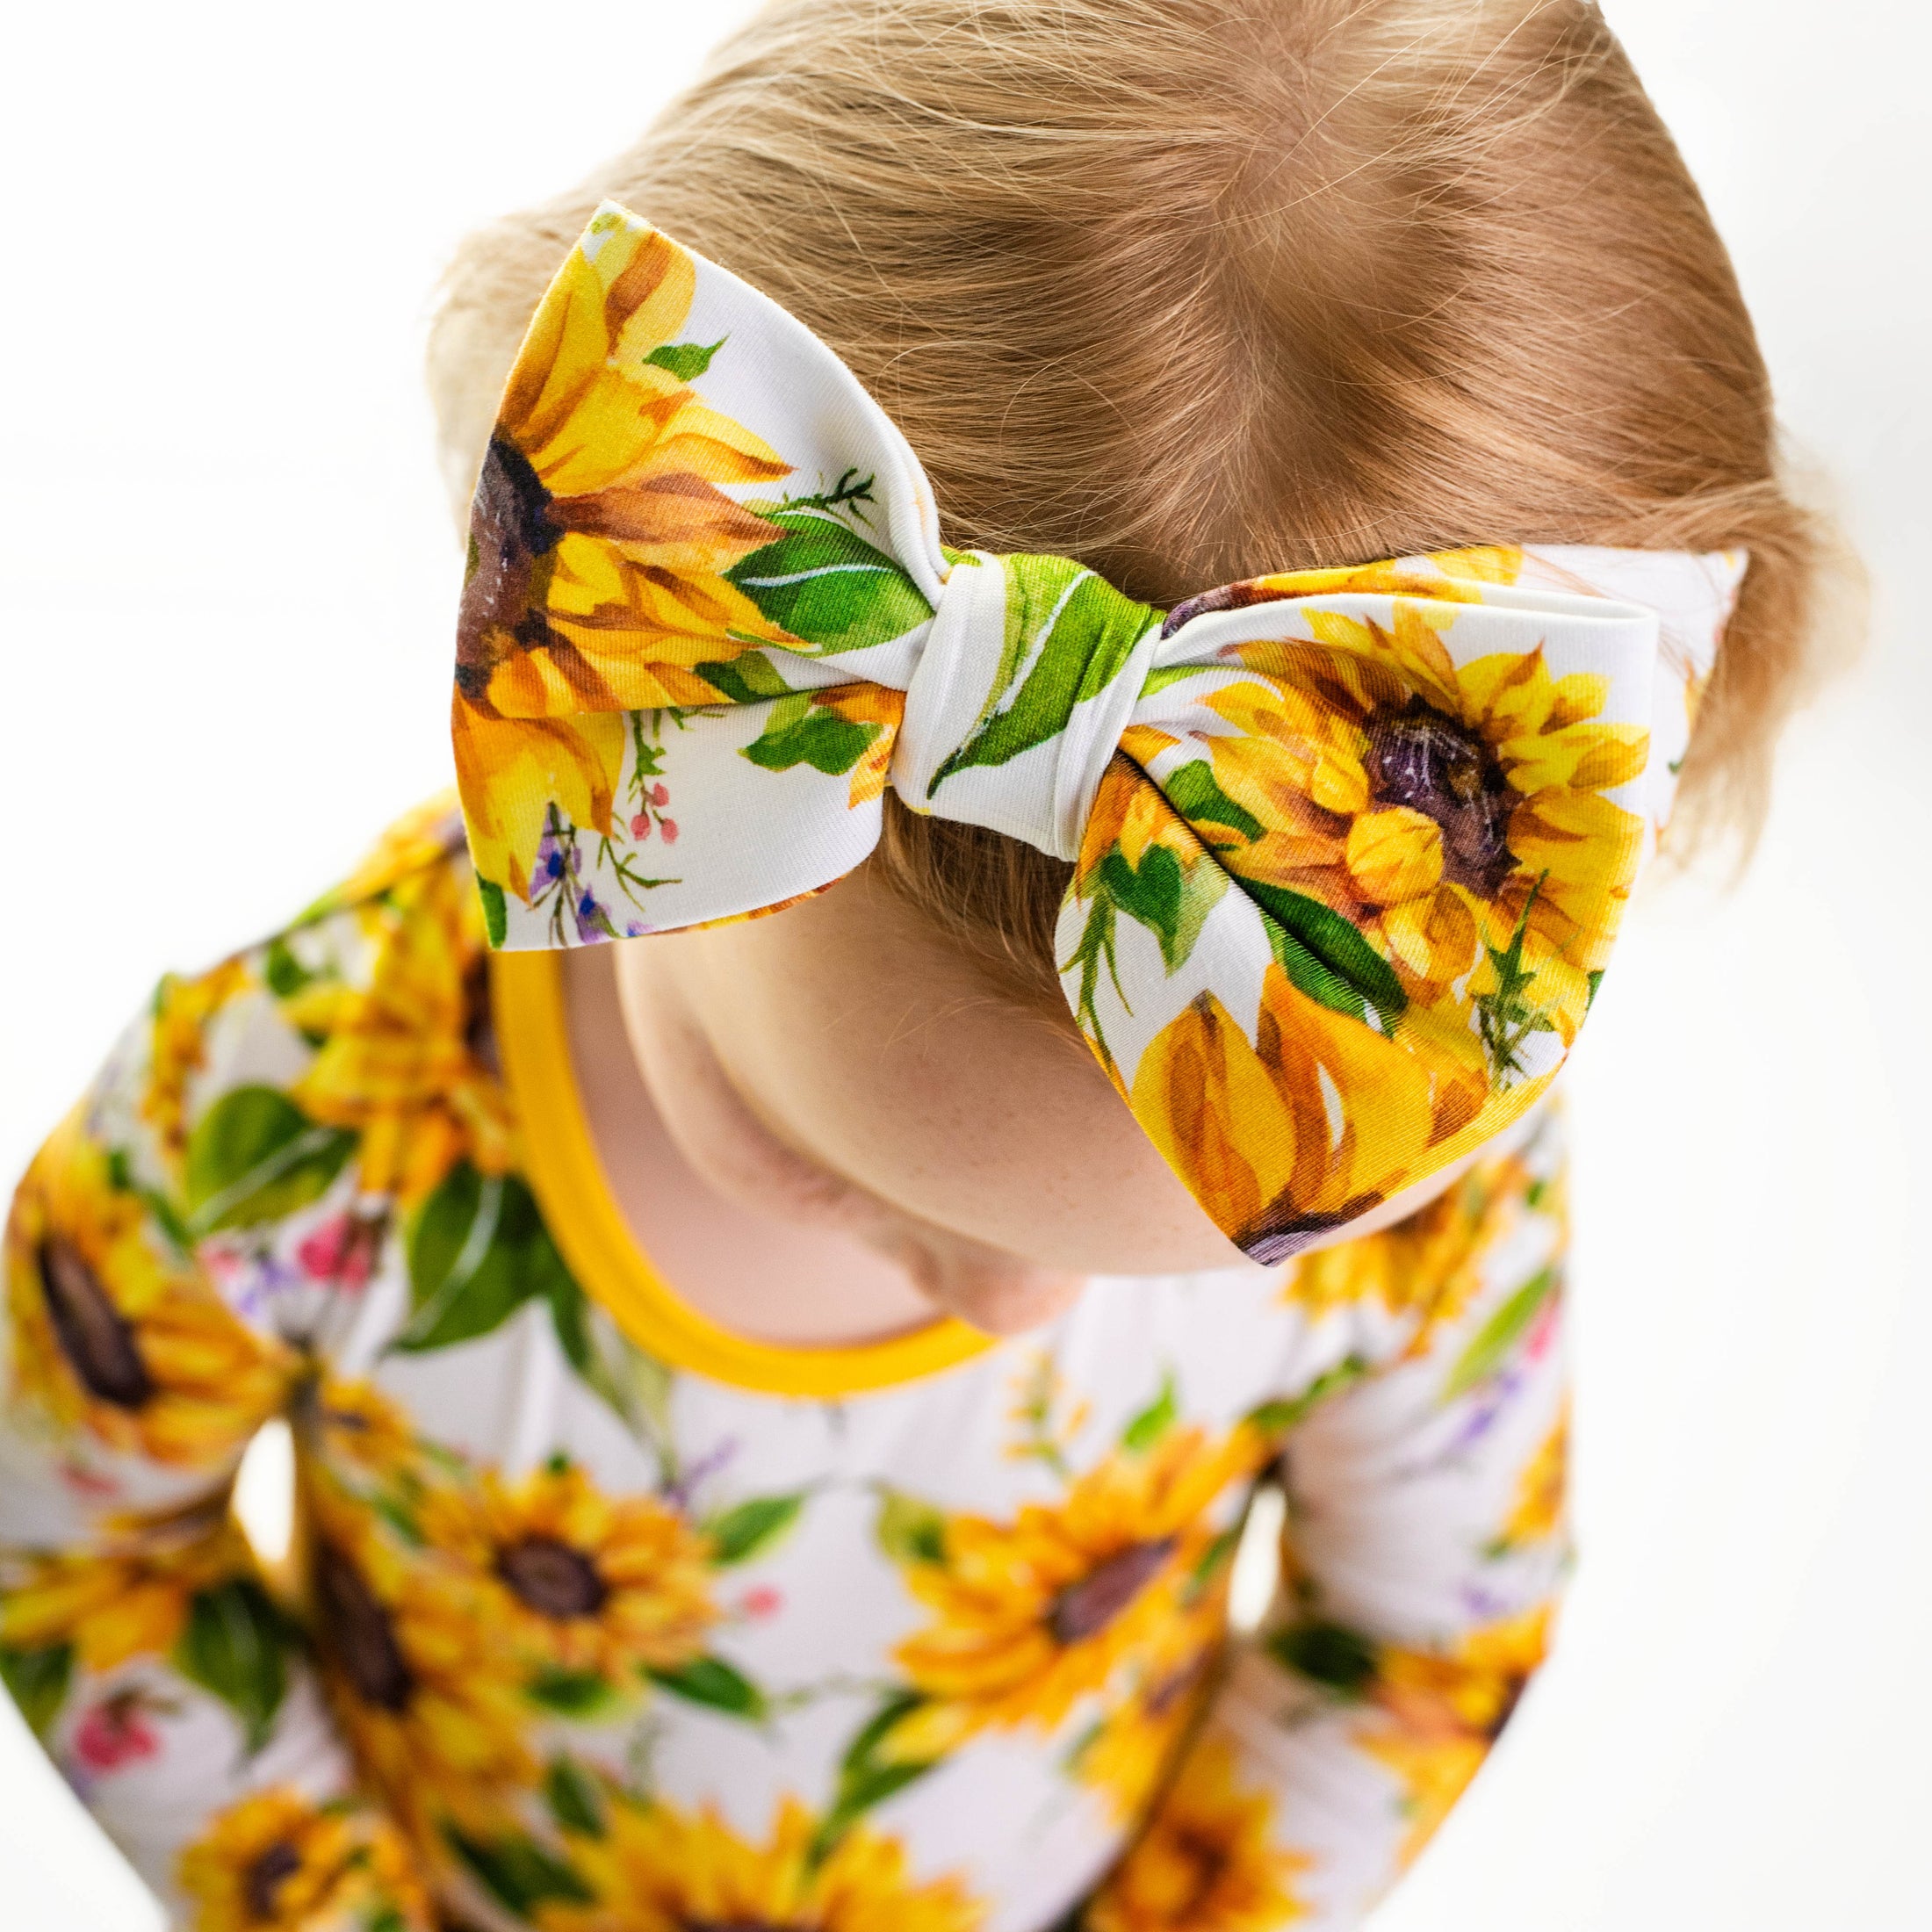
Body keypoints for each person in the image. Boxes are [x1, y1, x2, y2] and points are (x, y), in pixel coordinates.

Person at [1, 3, 1832, 1928]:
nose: (1014, 1309)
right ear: (637, 723)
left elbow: (1419, 1635)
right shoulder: (293, 1106)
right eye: (838, 1172)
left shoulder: (1379, 1120)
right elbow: (65, 1543)